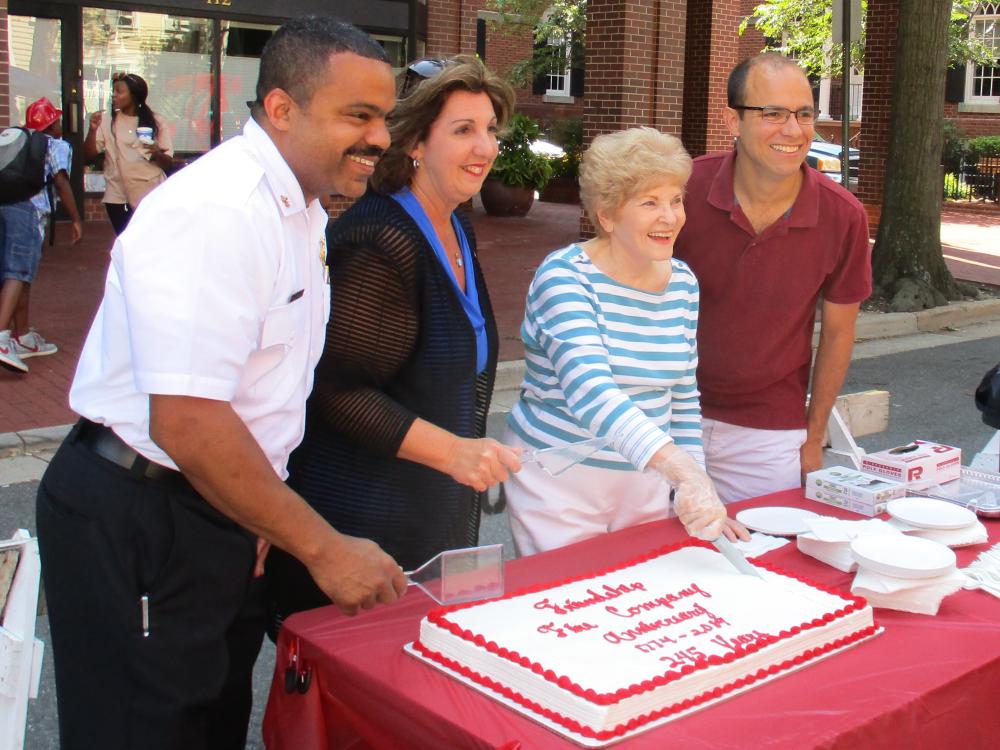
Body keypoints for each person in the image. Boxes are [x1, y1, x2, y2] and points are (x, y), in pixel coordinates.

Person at [36, 17, 405, 750]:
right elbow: (190, 423)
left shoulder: (297, 205)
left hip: (215, 508)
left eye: (384, 118)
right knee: (146, 731)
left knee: (207, 722)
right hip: (146, 512)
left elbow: (258, 394)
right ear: (281, 109)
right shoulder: (219, 211)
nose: (381, 138)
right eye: (357, 116)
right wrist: (322, 547)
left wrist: (258, 519)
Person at [265, 55, 520, 628]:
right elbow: (335, 391)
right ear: (415, 145)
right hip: (366, 522)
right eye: (463, 131)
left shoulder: (454, 220)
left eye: (490, 131)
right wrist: (454, 452)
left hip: (434, 516)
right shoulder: (380, 240)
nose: (484, 147)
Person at [502, 127, 736, 556]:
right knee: (568, 603)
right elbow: (592, 393)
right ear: (607, 216)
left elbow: (682, 398)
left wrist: (696, 483)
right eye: (650, 203)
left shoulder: (682, 283)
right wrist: (681, 470)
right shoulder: (565, 277)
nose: (670, 216)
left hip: (644, 479)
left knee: (639, 597)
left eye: (676, 199)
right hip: (559, 484)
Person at [673, 53, 872, 503]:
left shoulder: (843, 216)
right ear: (732, 120)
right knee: (652, 562)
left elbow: (839, 333)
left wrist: (813, 435)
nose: (794, 130)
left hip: (768, 431)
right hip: (664, 417)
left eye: (803, 114)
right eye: (773, 114)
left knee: (762, 563)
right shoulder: (681, 189)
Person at [0, 97, 83, 374]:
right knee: (19, 271)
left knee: (20, 274)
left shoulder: (21, 142)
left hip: (5, 206)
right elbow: (61, 181)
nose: (60, 125)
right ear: (52, 124)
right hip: (29, 210)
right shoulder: (54, 145)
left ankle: (21, 335)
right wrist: (75, 218)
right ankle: (1, 338)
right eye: (57, 120)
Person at [83, 71, 174, 234]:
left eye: (119, 91)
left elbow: (168, 162)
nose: (114, 95)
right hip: (118, 196)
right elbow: (87, 156)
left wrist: (156, 153)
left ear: (134, 95)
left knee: (150, 243)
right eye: (114, 91)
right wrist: (92, 130)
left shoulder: (156, 122)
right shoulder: (106, 121)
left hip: (150, 194)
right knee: (126, 243)